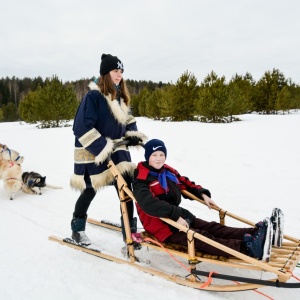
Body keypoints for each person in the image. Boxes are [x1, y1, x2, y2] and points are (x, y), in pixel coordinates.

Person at [132, 139, 272, 259]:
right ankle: (247, 248)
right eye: (154, 155)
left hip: (179, 216)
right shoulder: (141, 178)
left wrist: (202, 193)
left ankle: (256, 233)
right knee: (202, 237)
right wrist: (175, 216)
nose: (159, 158)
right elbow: (148, 204)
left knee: (213, 227)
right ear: (147, 157)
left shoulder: (167, 171)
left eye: (162, 154)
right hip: (162, 226)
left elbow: (185, 183)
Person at [70, 53, 147, 246]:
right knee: (90, 190)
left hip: (117, 151)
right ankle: (77, 230)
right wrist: (102, 147)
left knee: (126, 189)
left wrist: (132, 135)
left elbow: (128, 120)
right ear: (106, 73)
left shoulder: (120, 97)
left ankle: (130, 233)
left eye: (121, 71)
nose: (119, 74)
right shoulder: (93, 96)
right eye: (115, 70)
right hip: (92, 153)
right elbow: (81, 127)